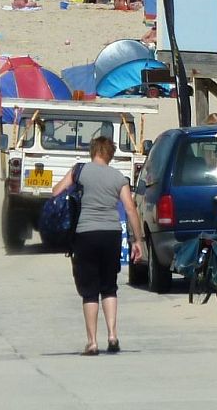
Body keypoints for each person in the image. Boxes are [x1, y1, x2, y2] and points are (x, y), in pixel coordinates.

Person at [48, 137, 145, 356]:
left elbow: (56, 192)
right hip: (111, 234)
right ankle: (112, 335)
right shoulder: (119, 177)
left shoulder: (79, 171)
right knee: (109, 287)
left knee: (89, 291)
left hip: (85, 234)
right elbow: (130, 209)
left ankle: (92, 342)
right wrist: (137, 240)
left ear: (93, 152)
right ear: (110, 154)